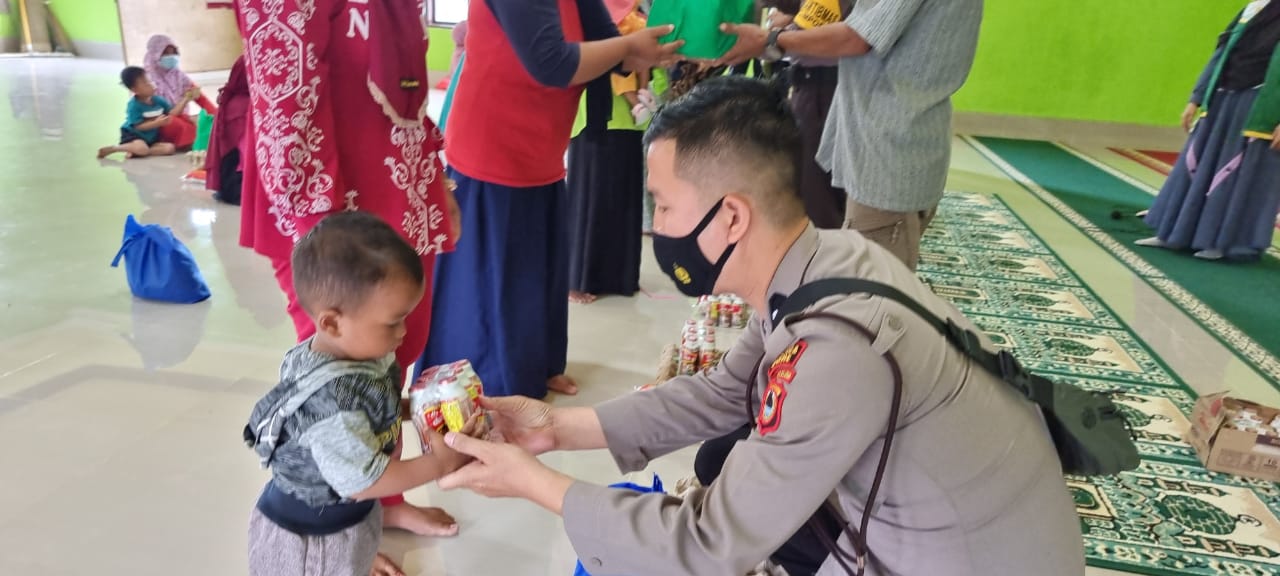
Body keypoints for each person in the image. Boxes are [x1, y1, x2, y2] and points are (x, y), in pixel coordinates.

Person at [432, 78, 1085, 576]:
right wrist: (555, 429)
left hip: (963, 557)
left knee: (688, 534)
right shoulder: (825, 261)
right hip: (951, 521)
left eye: (664, 205)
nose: (657, 226)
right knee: (722, 460)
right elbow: (726, 390)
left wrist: (534, 483)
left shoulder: (837, 348)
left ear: (731, 218)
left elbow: (707, 544)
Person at [233, 0, 463, 570]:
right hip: (334, 214)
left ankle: (377, 504)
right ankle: (347, 515)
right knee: (346, 367)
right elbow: (286, 91)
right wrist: (330, 238)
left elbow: (407, 89)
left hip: (395, 188)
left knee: (391, 352)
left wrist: (436, 183)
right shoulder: (336, 295)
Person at [417, 0, 681, 399]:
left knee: (536, 273)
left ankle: (533, 367)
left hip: (541, 149)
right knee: (491, 281)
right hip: (492, 146)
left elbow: (608, 45)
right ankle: (479, 384)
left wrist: (649, 47)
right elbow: (552, 62)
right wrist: (630, 47)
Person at [244, 212, 480, 576]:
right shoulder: (331, 403)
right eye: (393, 322)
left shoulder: (358, 355)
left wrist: (420, 407)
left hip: (348, 522)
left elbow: (371, 412)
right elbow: (367, 481)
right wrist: (440, 463)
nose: (403, 331)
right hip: (315, 543)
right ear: (332, 322)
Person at [717, 0, 983, 270]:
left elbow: (857, 36)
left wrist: (769, 41)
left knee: (867, 282)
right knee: (843, 259)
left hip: (888, 151)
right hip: (880, 138)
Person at [1139, 0, 1280, 261]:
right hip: (1222, 98)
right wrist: (1196, 97)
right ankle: (1175, 234)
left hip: (1259, 105)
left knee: (1239, 172)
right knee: (1196, 162)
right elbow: (1223, 52)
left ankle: (1223, 243)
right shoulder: (1253, 8)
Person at [566, 1, 655, 305]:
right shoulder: (603, 14)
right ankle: (579, 279)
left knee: (621, 200)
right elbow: (615, 66)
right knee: (592, 199)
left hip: (627, 122)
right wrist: (637, 99)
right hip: (599, 117)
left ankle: (620, 277)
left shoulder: (636, 17)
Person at [761, 0, 853, 229]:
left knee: (818, 203)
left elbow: (816, 28)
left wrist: (773, 37)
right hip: (817, 85)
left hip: (824, 88)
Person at [96, 66, 195, 159]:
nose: (151, 84)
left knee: (170, 148)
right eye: (146, 83)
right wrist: (157, 123)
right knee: (142, 148)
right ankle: (116, 148)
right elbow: (138, 127)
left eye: (150, 81)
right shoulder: (134, 105)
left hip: (152, 137)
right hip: (134, 135)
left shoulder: (158, 100)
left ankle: (136, 151)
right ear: (135, 90)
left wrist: (186, 98)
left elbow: (173, 113)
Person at [205, 56, 249, 206]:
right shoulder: (246, 105)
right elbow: (247, 153)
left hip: (227, 181)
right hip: (240, 186)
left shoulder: (229, 99)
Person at [144, 34, 217, 119]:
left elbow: (200, 98)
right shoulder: (147, 80)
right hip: (159, 121)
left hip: (182, 118)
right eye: (166, 53)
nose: (171, 57)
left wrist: (217, 116)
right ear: (155, 55)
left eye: (173, 53)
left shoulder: (179, 76)